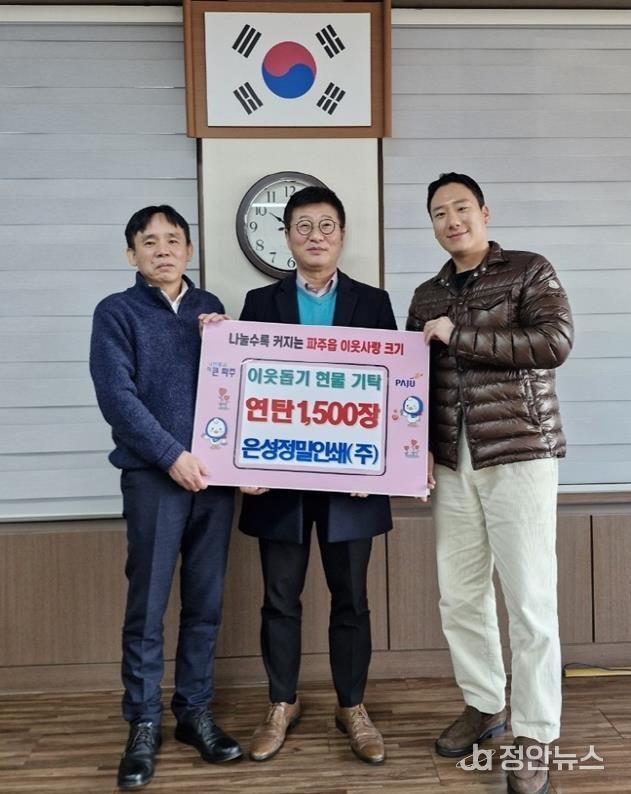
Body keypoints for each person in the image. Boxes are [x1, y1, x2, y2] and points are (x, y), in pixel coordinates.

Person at [407, 173, 573, 794]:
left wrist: (461, 336)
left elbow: (554, 342)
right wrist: (415, 450)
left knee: (529, 600)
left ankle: (536, 734)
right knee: (460, 594)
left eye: (461, 208)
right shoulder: (427, 294)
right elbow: (412, 379)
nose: (451, 220)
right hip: (453, 461)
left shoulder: (529, 270)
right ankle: (485, 705)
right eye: (439, 213)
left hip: (520, 451)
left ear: (484, 211)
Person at [239, 185, 396, 765]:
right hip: (278, 480)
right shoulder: (259, 302)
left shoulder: (373, 303)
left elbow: (394, 387)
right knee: (279, 599)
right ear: (287, 238)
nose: (315, 236)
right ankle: (281, 703)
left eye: (326, 225)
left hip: (352, 484)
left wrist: (380, 465)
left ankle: (351, 706)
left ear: (342, 235)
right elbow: (243, 385)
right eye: (303, 226)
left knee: (351, 599)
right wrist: (240, 464)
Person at [90, 205, 242, 790]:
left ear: (189, 250)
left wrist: (226, 342)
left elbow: (236, 388)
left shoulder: (210, 310)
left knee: (205, 603)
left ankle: (193, 712)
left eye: (173, 240)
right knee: (148, 605)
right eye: (149, 242)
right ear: (131, 254)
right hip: (155, 477)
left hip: (213, 480)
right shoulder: (116, 312)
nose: (163, 250)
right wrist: (171, 456)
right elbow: (117, 398)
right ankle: (143, 722)